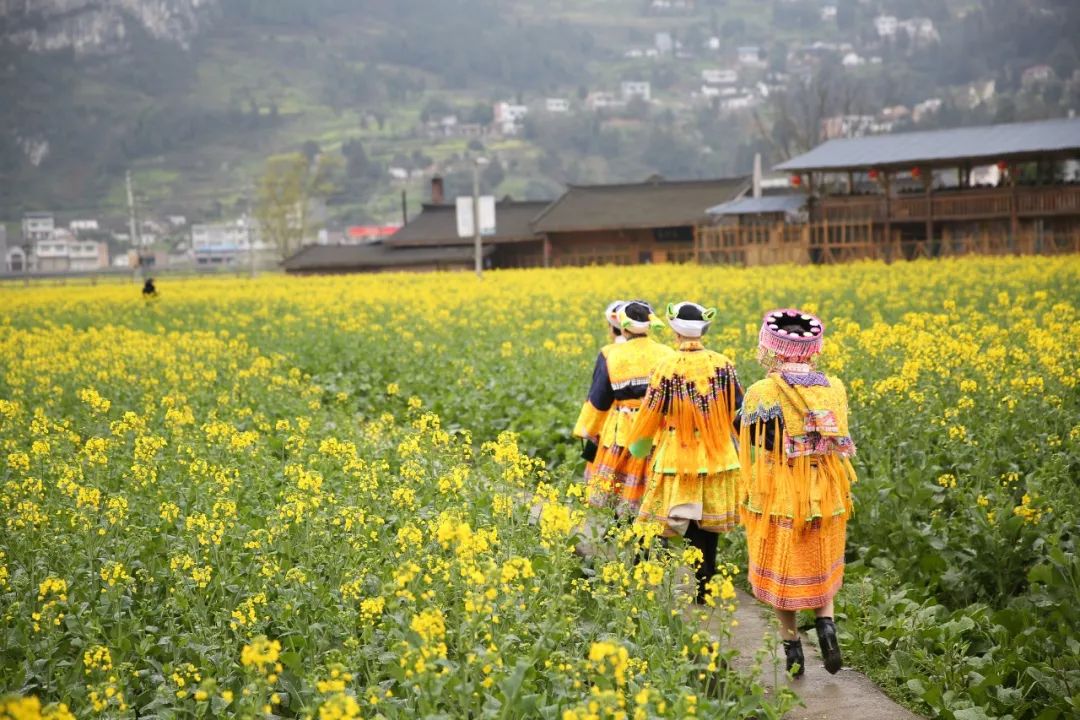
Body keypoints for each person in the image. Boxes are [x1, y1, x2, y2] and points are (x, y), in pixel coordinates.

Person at [737, 309, 855, 677]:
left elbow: (743, 429)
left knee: (781, 565)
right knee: (822, 558)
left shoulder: (764, 391)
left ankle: (793, 652)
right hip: (828, 487)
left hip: (782, 489)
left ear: (772, 347)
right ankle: (827, 627)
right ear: (812, 348)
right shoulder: (833, 388)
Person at [626, 302, 743, 604]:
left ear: (675, 330)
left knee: (654, 521)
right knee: (706, 525)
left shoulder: (666, 367)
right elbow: (737, 409)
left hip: (677, 453)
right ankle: (704, 587)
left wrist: (637, 446)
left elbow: (651, 412)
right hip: (718, 455)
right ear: (703, 329)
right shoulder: (724, 364)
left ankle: (640, 580)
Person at [573, 300, 673, 518]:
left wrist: (587, 431)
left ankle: (624, 534)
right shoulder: (667, 353)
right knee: (653, 488)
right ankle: (654, 538)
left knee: (622, 491)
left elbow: (599, 400)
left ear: (624, 327)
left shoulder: (611, 354)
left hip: (623, 431)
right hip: (658, 429)